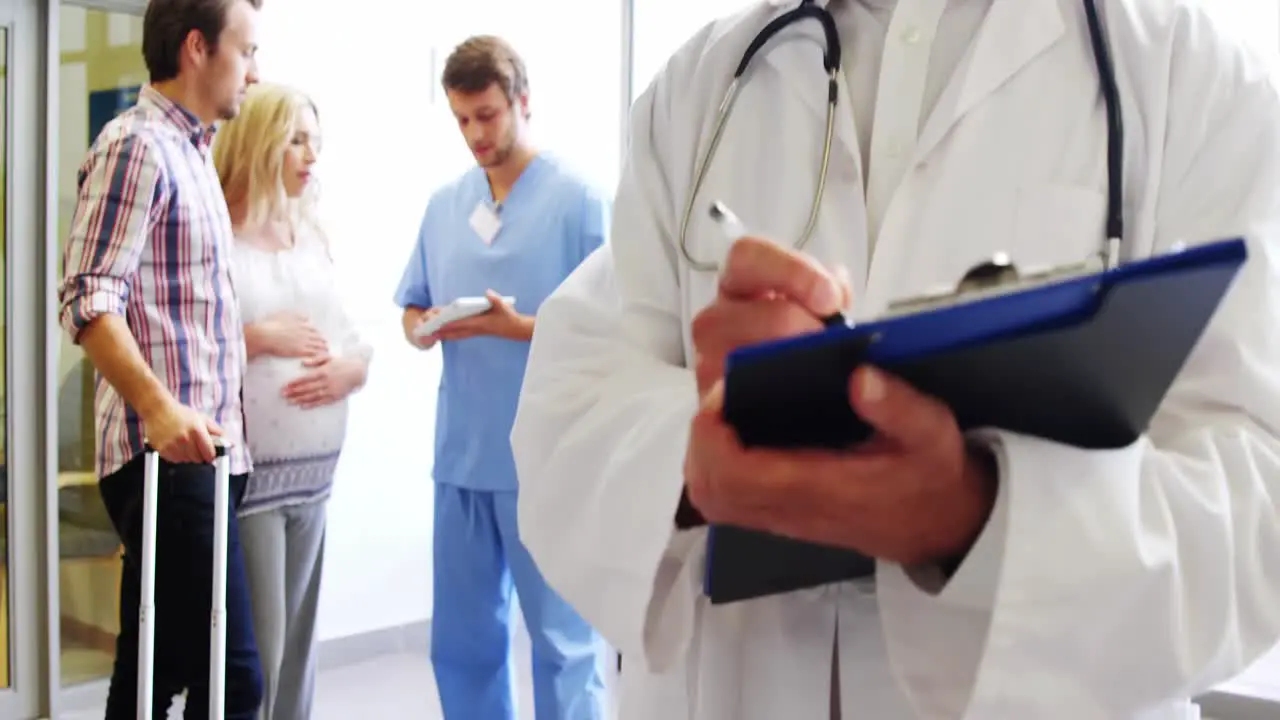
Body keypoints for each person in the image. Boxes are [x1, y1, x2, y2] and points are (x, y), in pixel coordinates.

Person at [509, 0, 1280, 718]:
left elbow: (1259, 501)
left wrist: (974, 517)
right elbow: (567, 405)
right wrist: (700, 451)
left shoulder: (1194, 75)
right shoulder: (704, 85)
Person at [393, 34, 611, 720]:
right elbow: (411, 305)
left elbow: (614, 327)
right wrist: (426, 328)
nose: (475, 134)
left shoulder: (578, 201)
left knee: (563, 644)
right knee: (463, 643)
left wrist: (517, 327)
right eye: (461, 119)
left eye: (487, 115)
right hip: (462, 458)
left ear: (522, 102)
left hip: (547, 459)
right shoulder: (443, 204)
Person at [57, 0, 264, 718]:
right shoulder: (137, 145)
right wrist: (158, 407)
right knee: (232, 684)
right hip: (167, 459)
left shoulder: (194, 154)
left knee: (152, 670)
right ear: (199, 48)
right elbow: (87, 296)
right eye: (247, 51)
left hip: (205, 456)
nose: (255, 71)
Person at [212, 82, 372, 720]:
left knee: (301, 653)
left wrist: (347, 372)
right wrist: (258, 337)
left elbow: (355, 340)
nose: (311, 156)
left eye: (316, 142)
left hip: (315, 474)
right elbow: (193, 341)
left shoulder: (310, 236)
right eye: (298, 140)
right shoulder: (219, 233)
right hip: (255, 478)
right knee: (262, 654)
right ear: (260, 139)